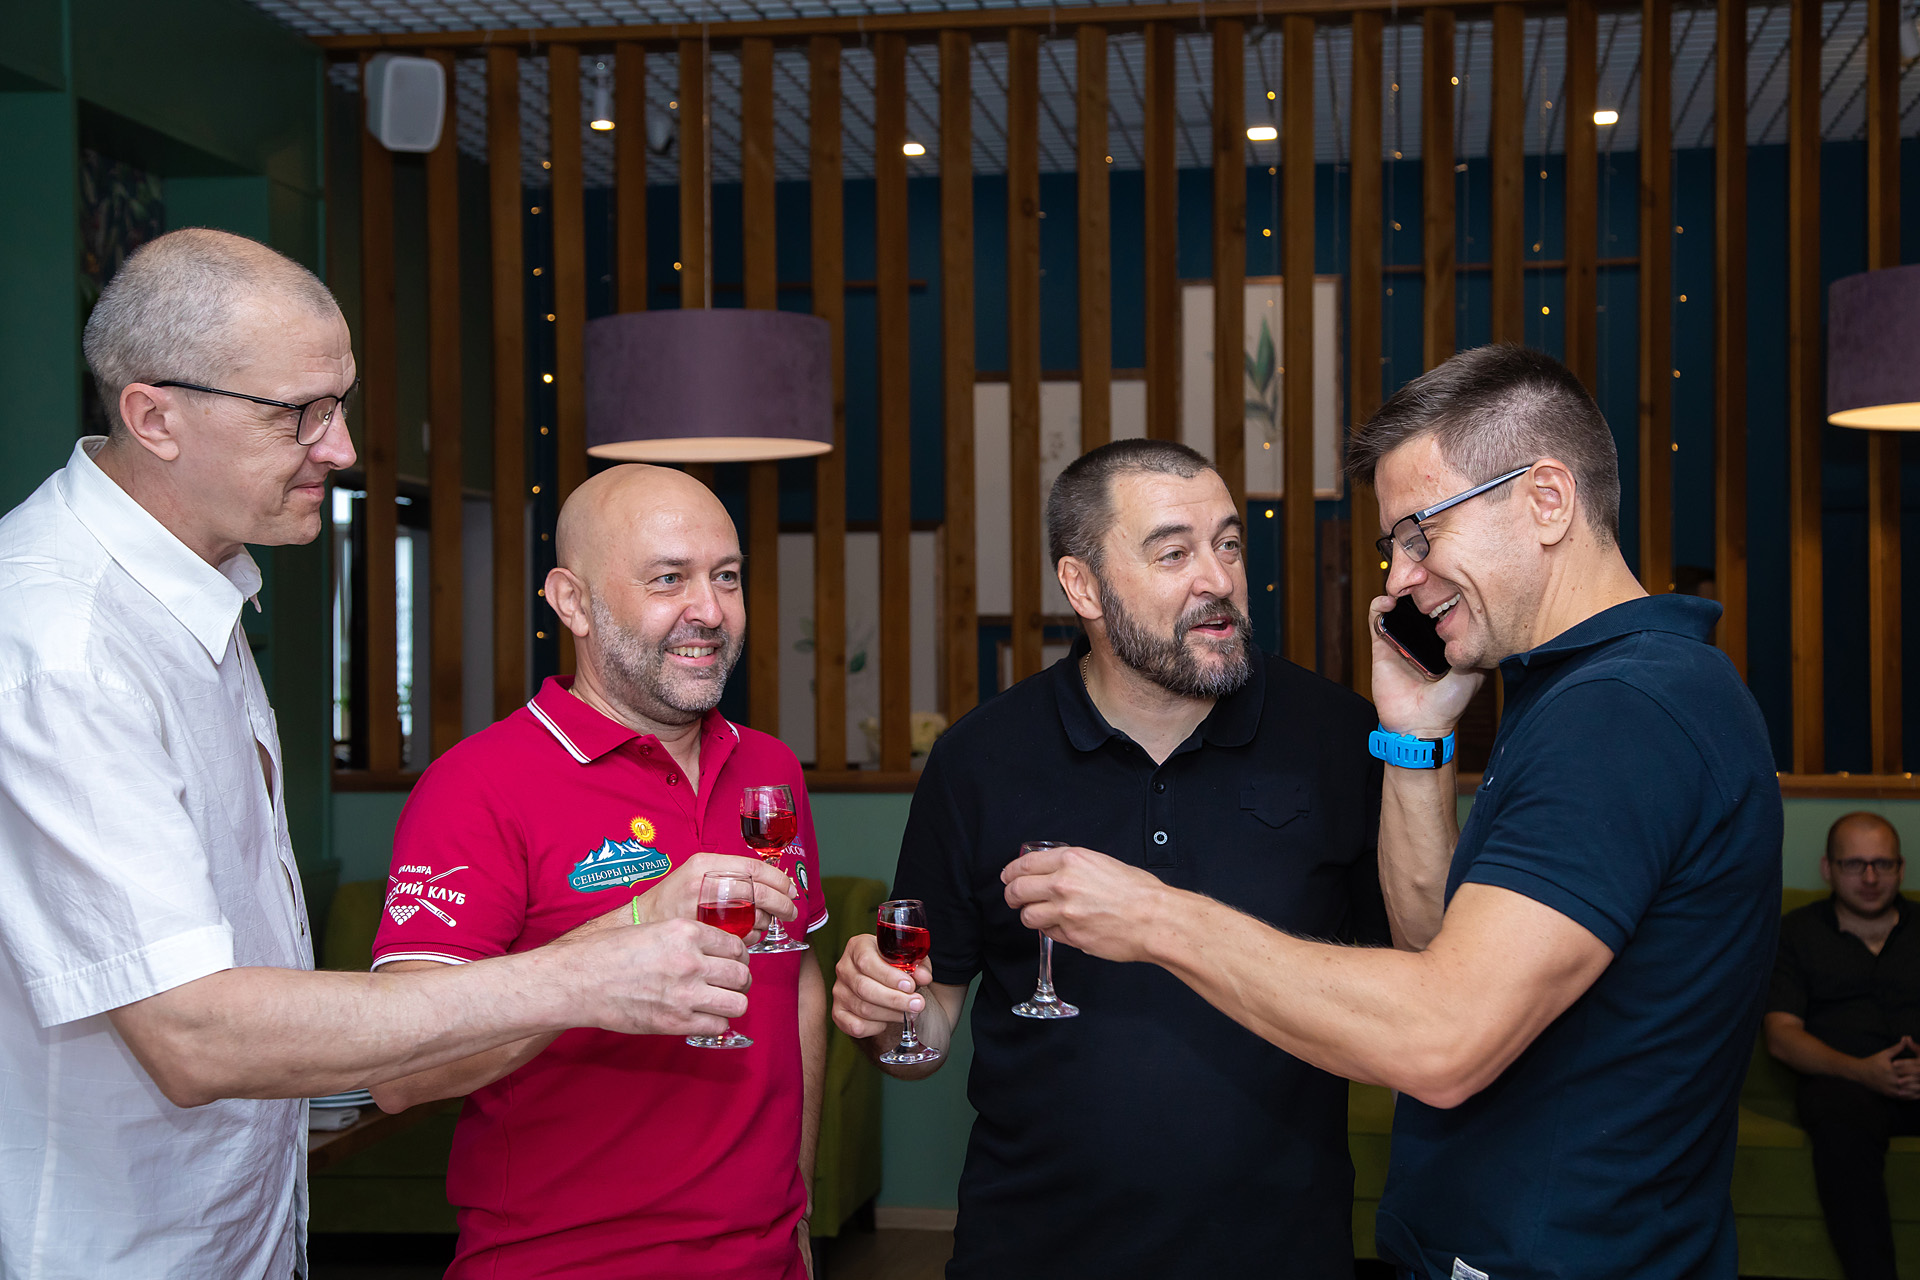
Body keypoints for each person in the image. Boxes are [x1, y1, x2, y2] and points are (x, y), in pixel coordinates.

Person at [0, 229, 762, 1280]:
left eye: (341, 404)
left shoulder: (195, 596)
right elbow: (192, 1033)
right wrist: (587, 969)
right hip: (106, 1248)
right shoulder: (65, 644)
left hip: (229, 1230)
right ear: (154, 416)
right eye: (299, 413)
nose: (343, 448)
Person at [1001, 346, 1783, 1280]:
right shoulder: (1576, 693)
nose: (1401, 578)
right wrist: (1414, 740)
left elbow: (1443, 1037)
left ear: (1547, 500)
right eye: (1394, 547)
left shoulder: (1622, 712)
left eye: (1419, 533)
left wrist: (1155, 917)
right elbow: (1435, 949)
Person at [831, 438, 1389, 1279]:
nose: (1218, 579)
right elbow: (928, 1027)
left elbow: (1412, 985)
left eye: (1229, 545)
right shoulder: (980, 758)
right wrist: (885, 1014)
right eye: (1174, 553)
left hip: (1278, 1251)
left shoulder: (1338, 737)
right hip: (1031, 1253)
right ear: (1083, 586)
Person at [368, 464, 829, 1279]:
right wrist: (634, 926)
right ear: (572, 602)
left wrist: (803, 1203)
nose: (710, 610)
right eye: (668, 579)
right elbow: (404, 1071)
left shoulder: (770, 772)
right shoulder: (478, 786)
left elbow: (796, 982)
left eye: (726, 577)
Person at [1766, 812, 1920, 1280]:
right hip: (1844, 1087)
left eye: (1882, 864)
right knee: (1837, 1117)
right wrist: (1862, 1071)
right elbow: (1781, 1035)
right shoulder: (1795, 933)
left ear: (1901, 868)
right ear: (1827, 869)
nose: (1870, 878)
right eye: (1854, 864)